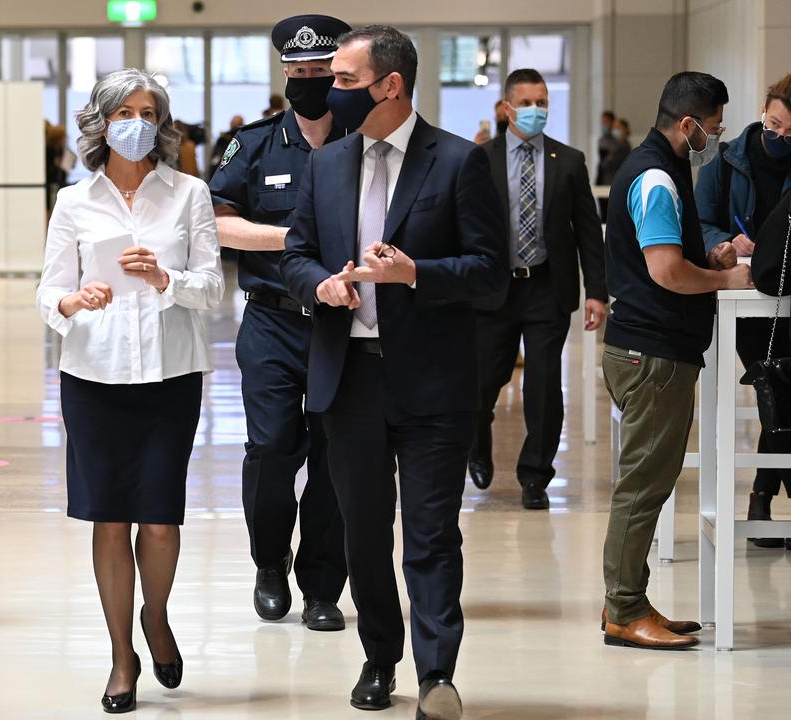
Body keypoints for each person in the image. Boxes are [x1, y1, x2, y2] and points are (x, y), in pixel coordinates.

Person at [281, 25, 507, 719]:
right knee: (364, 532)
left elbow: (491, 275)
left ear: (391, 86)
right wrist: (319, 284)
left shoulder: (458, 162)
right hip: (348, 376)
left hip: (434, 381)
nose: (328, 91)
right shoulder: (325, 165)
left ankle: (438, 676)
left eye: (343, 80)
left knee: (434, 532)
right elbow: (292, 254)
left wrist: (416, 274)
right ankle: (381, 658)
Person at [36, 68, 223, 714]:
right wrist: (75, 298)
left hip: (171, 377)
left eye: (149, 112)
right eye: (125, 112)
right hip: (94, 377)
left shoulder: (190, 194)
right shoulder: (74, 201)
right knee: (109, 518)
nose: (137, 123)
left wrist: (167, 278)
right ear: (102, 122)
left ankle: (158, 616)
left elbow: (213, 287)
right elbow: (47, 293)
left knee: (161, 520)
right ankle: (122, 658)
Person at [600, 71, 752, 651]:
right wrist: (723, 275)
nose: (714, 137)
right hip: (653, 353)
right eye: (712, 127)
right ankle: (624, 610)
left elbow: (665, 256)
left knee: (646, 484)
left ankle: (629, 601)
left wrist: (705, 253)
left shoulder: (655, 168)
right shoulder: (658, 177)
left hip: (649, 349)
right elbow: (664, 272)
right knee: (642, 488)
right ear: (687, 123)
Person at [209, 13, 350, 632]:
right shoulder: (256, 143)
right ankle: (270, 563)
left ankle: (323, 586)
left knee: (334, 458)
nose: (309, 82)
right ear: (285, 74)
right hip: (270, 321)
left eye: (321, 72)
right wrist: (289, 238)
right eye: (298, 72)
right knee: (270, 450)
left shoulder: (361, 140)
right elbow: (217, 220)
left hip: (343, 325)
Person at [468, 68, 608, 509]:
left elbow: (588, 230)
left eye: (542, 102)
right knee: (479, 384)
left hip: (547, 286)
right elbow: (463, 226)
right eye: (526, 103)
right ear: (506, 108)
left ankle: (535, 476)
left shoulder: (568, 161)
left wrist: (597, 292)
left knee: (544, 387)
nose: (535, 110)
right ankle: (477, 445)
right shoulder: (479, 159)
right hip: (494, 289)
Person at [695, 72, 791, 548]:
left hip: (786, 290)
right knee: (772, 384)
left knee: (781, 391)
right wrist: (724, 244)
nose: (779, 137)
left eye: (790, 134)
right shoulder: (726, 158)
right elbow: (701, 220)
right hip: (746, 294)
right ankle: (765, 497)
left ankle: (760, 495)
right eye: (774, 125)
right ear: (762, 112)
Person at [208, 114, 245, 178]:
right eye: (232, 122)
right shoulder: (223, 138)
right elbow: (216, 155)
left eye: (236, 123)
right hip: (223, 167)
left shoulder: (244, 137)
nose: (233, 124)